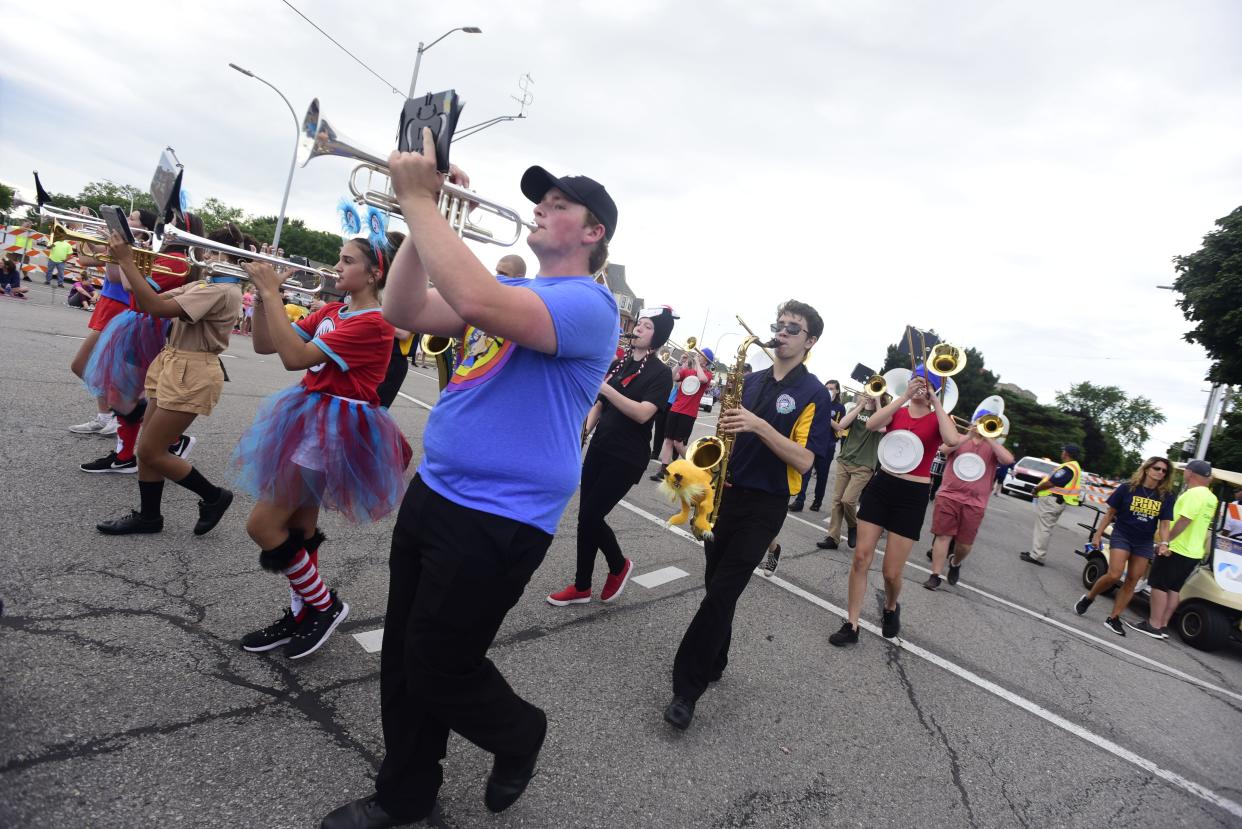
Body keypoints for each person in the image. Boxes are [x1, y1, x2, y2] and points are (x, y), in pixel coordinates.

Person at [319, 143, 619, 828]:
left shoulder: (588, 304)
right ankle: (406, 793)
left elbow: (476, 297)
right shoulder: (523, 290)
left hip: (501, 517)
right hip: (438, 491)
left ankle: (520, 732)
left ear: (593, 231)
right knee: (403, 655)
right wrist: (424, 217)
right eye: (540, 200)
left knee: (439, 663)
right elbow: (405, 309)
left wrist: (423, 204)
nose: (539, 208)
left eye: (558, 203)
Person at [233, 233, 406, 660]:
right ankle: (302, 612)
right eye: (339, 259)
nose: (336, 267)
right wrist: (261, 298)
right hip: (309, 416)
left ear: (374, 273)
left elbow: (296, 359)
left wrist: (274, 292)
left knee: (262, 526)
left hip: (332, 429)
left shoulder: (374, 321)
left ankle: (325, 607)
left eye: (347, 261)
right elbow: (265, 344)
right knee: (299, 529)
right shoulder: (333, 310)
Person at [662, 301, 831, 731]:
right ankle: (716, 658)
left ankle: (686, 689)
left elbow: (806, 459)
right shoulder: (749, 379)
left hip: (765, 504)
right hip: (725, 496)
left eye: (795, 329)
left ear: (810, 341)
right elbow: (722, 436)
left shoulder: (813, 393)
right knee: (716, 584)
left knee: (721, 592)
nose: (783, 332)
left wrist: (758, 425)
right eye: (781, 325)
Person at [94, 226, 240, 536]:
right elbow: (147, 297)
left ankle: (214, 496)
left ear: (224, 254)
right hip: (172, 360)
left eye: (209, 250)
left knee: (150, 451)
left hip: (193, 369)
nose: (204, 255)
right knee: (148, 444)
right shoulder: (205, 283)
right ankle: (149, 517)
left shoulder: (220, 290)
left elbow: (155, 307)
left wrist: (129, 262)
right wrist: (128, 263)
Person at [548, 308, 675, 606]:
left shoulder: (660, 373)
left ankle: (618, 565)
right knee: (585, 518)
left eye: (645, 326)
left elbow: (643, 414)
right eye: (639, 325)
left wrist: (604, 387)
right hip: (601, 447)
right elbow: (600, 404)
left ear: (656, 337)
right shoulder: (620, 365)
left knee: (592, 515)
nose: (638, 329)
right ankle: (582, 586)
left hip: (627, 456)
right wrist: (583, 434)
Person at [829, 368, 960, 646]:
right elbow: (871, 424)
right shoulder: (898, 410)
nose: (921, 388)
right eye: (917, 382)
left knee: (891, 572)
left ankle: (890, 606)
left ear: (936, 389)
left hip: (913, 493)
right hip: (882, 485)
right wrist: (903, 396)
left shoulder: (940, 416)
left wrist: (936, 403)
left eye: (927, 385)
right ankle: (851, 623)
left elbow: (952, 441)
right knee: (861, 557)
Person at [80, 212, 195, 473]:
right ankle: (127, 454)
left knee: (127, 393)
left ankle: (168, 440)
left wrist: (125, 256)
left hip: (148, 327)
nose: (164, 227)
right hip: (135, 323)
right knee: (123, 392)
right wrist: (118, 254)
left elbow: (130, 285)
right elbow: (113, 276)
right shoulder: (162, 254)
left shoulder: (177, 261)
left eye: (173, 224)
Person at [68, 210, 156, 437]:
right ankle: (107, 416)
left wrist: (114, 249)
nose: (127, 220)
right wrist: (79, 232)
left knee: (83, 365)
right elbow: (85, 260)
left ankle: (127, 411)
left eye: (133, 218)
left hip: (119, 306)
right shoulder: (124, 245)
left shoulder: (138, 248)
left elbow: (117, 277)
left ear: (145, 227)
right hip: (109, 303)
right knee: (100, 367)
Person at [1073, 456, 1174, 635]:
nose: (1160, 473)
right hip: (1122, 535)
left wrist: (1164, 543)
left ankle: (1113, 618)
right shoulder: (1127, 488)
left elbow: (1165, 524)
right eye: (1157, 468)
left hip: (1144, 542)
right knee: (1114, 574)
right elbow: (1110, 513)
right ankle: (1089, 598)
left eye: (1164, 471)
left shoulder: (1165, 496)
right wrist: (1097, 534)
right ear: (1147, 468)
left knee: (1133, 579)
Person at [923, 414, 1016, 590]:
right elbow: (943, 449)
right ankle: (935, 575)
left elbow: (1008, 460)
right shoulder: (959, 438)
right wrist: (968, 436)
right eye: (980, 422)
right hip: (949, 495)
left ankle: (956, 563)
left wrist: (990, 439)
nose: (981, 426)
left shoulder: (994, 447)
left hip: (975, 502)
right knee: (943, 536)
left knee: (964, 544)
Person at [1128, 459, 1218, 638]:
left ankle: (1153, 625)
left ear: (1191, 474)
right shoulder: (1210, 497)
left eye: (1186, 471)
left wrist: (1165, 541)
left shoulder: (1193, 494)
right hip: (1193, 551)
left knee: (1158, 585)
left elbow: (1185, 520)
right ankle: (1163, 624)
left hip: (1177, 547)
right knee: (1174, 589)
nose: (1184, 473)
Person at [817, 391, 888, 550]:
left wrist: (877, 402)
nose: (870, 393)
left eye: (875, 391)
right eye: (869, 390)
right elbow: (841, 425)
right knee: (837, 501)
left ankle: (852, 525)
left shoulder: (882, 412)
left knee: (848, 500)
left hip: (864, 464)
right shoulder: (857, 410)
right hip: (845, 459)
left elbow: (883, 428)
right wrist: (860, 405)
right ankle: (832, 538)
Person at [650, 349, 714, 481]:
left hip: (688, 413)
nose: (697, 355)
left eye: (700, 355)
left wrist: (697, 362)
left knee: (678, 444)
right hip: (675, 409)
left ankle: (694, 467)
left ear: (706, 360)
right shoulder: (687, 371)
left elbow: (701, 379)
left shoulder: (707, 374)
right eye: (697, 354)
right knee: (668, 441)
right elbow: (672, 377)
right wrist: (680, 362)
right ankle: (663, 471)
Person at [1019, 444, 1084, 567]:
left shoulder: (1068, 467)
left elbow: (1052, 482)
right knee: (1044, 528)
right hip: (1056, 501)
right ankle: (1036, 553)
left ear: (1066, 453)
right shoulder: (1073, 467)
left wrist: (1037, 489)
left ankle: (1037, 556)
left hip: (1052, 501)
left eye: (1063, 451)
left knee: (1043, 528)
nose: (1062, 452)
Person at [789, 379, 847, 512]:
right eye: (827, 387)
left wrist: (825, 414)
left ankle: (817, 501)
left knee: (822, 475)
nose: (829, 390)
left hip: (828, 444)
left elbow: (839, 427)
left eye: (832, 388)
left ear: (837, 391)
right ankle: (799, 500)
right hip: (813, 442)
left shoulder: (839, 408)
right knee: (806, 473)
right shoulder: (818, 402)